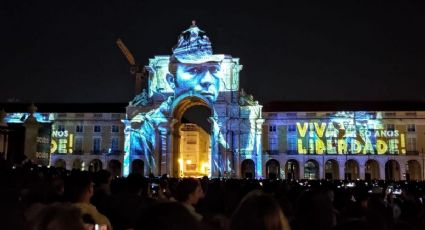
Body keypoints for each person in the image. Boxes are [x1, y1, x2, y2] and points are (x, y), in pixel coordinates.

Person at [130, 21, 227, 174]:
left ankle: (159, 174)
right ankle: (159, 172)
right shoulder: (152, 119)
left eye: (214, 69)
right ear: (170, 81)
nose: (207, 79)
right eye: (194, 70)